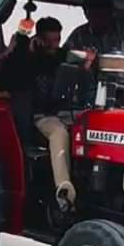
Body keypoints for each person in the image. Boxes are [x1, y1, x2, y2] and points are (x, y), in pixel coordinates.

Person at [25, 17, 93, 211]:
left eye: (58, 40)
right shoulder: (29, 57)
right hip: (40, 114)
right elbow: (19, 73)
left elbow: (80, 73)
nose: (55, 45)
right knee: (59, 133)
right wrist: (31, 51)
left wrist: (86, 67)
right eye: (50, 41)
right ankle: (64, 188)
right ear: (40, 39)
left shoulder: (62, 56)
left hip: (62, 111)